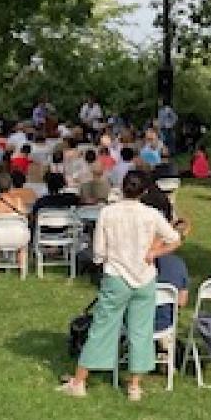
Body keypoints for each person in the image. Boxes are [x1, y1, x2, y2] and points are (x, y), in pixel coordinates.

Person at [57, 171, 182, 401]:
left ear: (122, 189)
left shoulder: (108, 212)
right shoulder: (152, 215)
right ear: (144, 192)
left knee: (101, 328)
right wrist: (155, 252)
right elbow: (175, 238)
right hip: (144, 277)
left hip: (116, 275)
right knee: (141, 331)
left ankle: (80, 381)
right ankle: (134, 386)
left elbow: (98, 251)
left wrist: (102, 260)